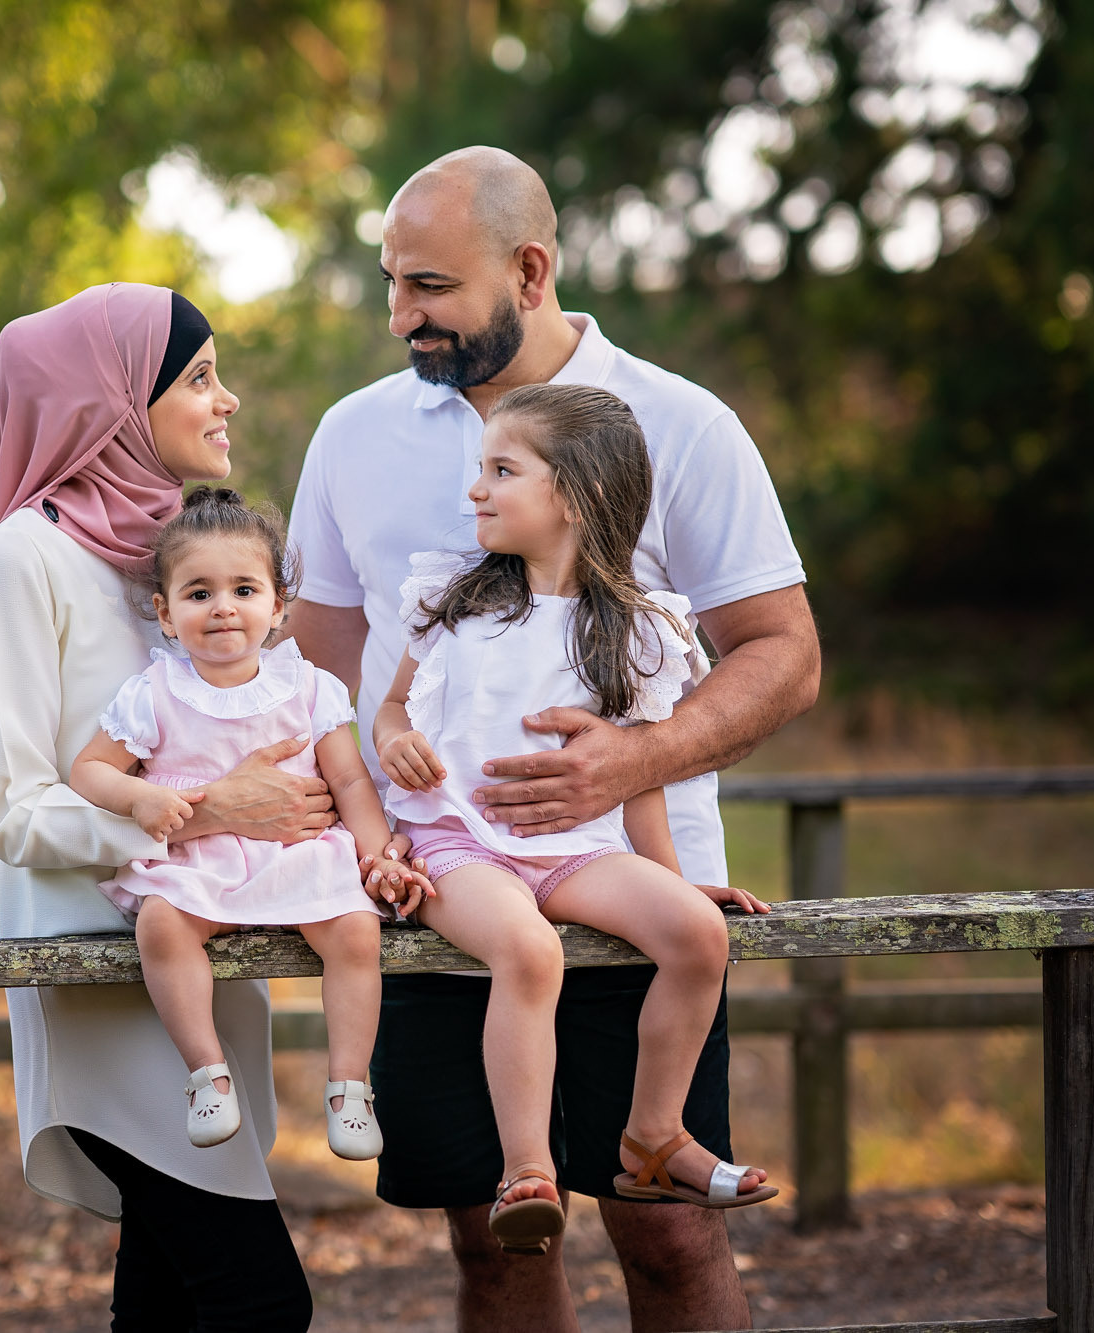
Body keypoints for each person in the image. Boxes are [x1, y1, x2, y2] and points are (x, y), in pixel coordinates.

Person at [287, 148, 820, 1332]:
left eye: (426, 286)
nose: (397, 315)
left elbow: (781, 649)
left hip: (627, 871)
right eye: (388, 281)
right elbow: (312, 661)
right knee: (492, 1243)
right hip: (436, 881)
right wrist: (343, 826)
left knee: (669, 1233)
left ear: (529, 270)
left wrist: (638, 760)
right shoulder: (350, 435)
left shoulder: (679, 423)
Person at [0, 282, 344, 1331]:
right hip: (99, 978)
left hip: (205, 973)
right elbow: (16, 808)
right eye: (200, 378)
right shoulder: (19, 563)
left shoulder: (181, 559)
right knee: (256, 1299)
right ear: (109, 401)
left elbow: (291, 737)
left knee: (168, 1304)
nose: (229, 401)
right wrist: (206, 809)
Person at [373, 382, 778, 1255]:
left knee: (698, 936)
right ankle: (527, 1170)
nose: (476, 489)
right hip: (457, 843)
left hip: (576, 851)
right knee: (528, 948)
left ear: (576, 494)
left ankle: (653, 1136)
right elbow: (393, 707)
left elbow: (641, 776)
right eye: (480, 468)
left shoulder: (638, 629)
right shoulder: (451, 597)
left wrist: (672, 881)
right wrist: (397, 738)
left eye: (502, 469)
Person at [69, 486, 432, 1160]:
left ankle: (350, 1086)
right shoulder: (153, 693)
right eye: (198, 593)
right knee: (160, 924)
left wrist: (378, 853)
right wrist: (135, 797)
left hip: (299, 850)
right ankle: (207, 1073)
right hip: (199, 857)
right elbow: (88, 769)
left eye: (243, 588)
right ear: (166, 612)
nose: (223, 607)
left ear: (278, 607)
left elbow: (349, 778)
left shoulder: (309, 686)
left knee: (354, 930)